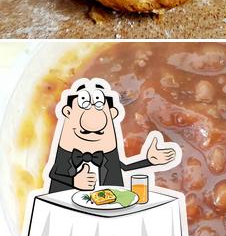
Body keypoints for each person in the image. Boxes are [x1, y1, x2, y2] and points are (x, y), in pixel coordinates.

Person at [47, 78, 177, 193]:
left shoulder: (107, 152)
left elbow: (124, 167)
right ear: (67, 112)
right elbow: (54, 174)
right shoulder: (65, 152)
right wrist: (73, 181)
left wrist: (149, 161)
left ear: (112, 113)